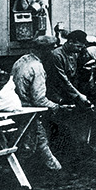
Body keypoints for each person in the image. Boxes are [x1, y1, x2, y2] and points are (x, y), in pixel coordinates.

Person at [10, 35, 65, 171]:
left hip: (16, 106)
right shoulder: (37, 67)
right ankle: (18, 172)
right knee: (33, 143)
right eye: (52, 49)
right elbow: (39, 99)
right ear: (45, 50)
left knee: (38, 140)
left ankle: (54, 168)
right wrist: (57, 107)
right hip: (28, 110)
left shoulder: (21, 61)